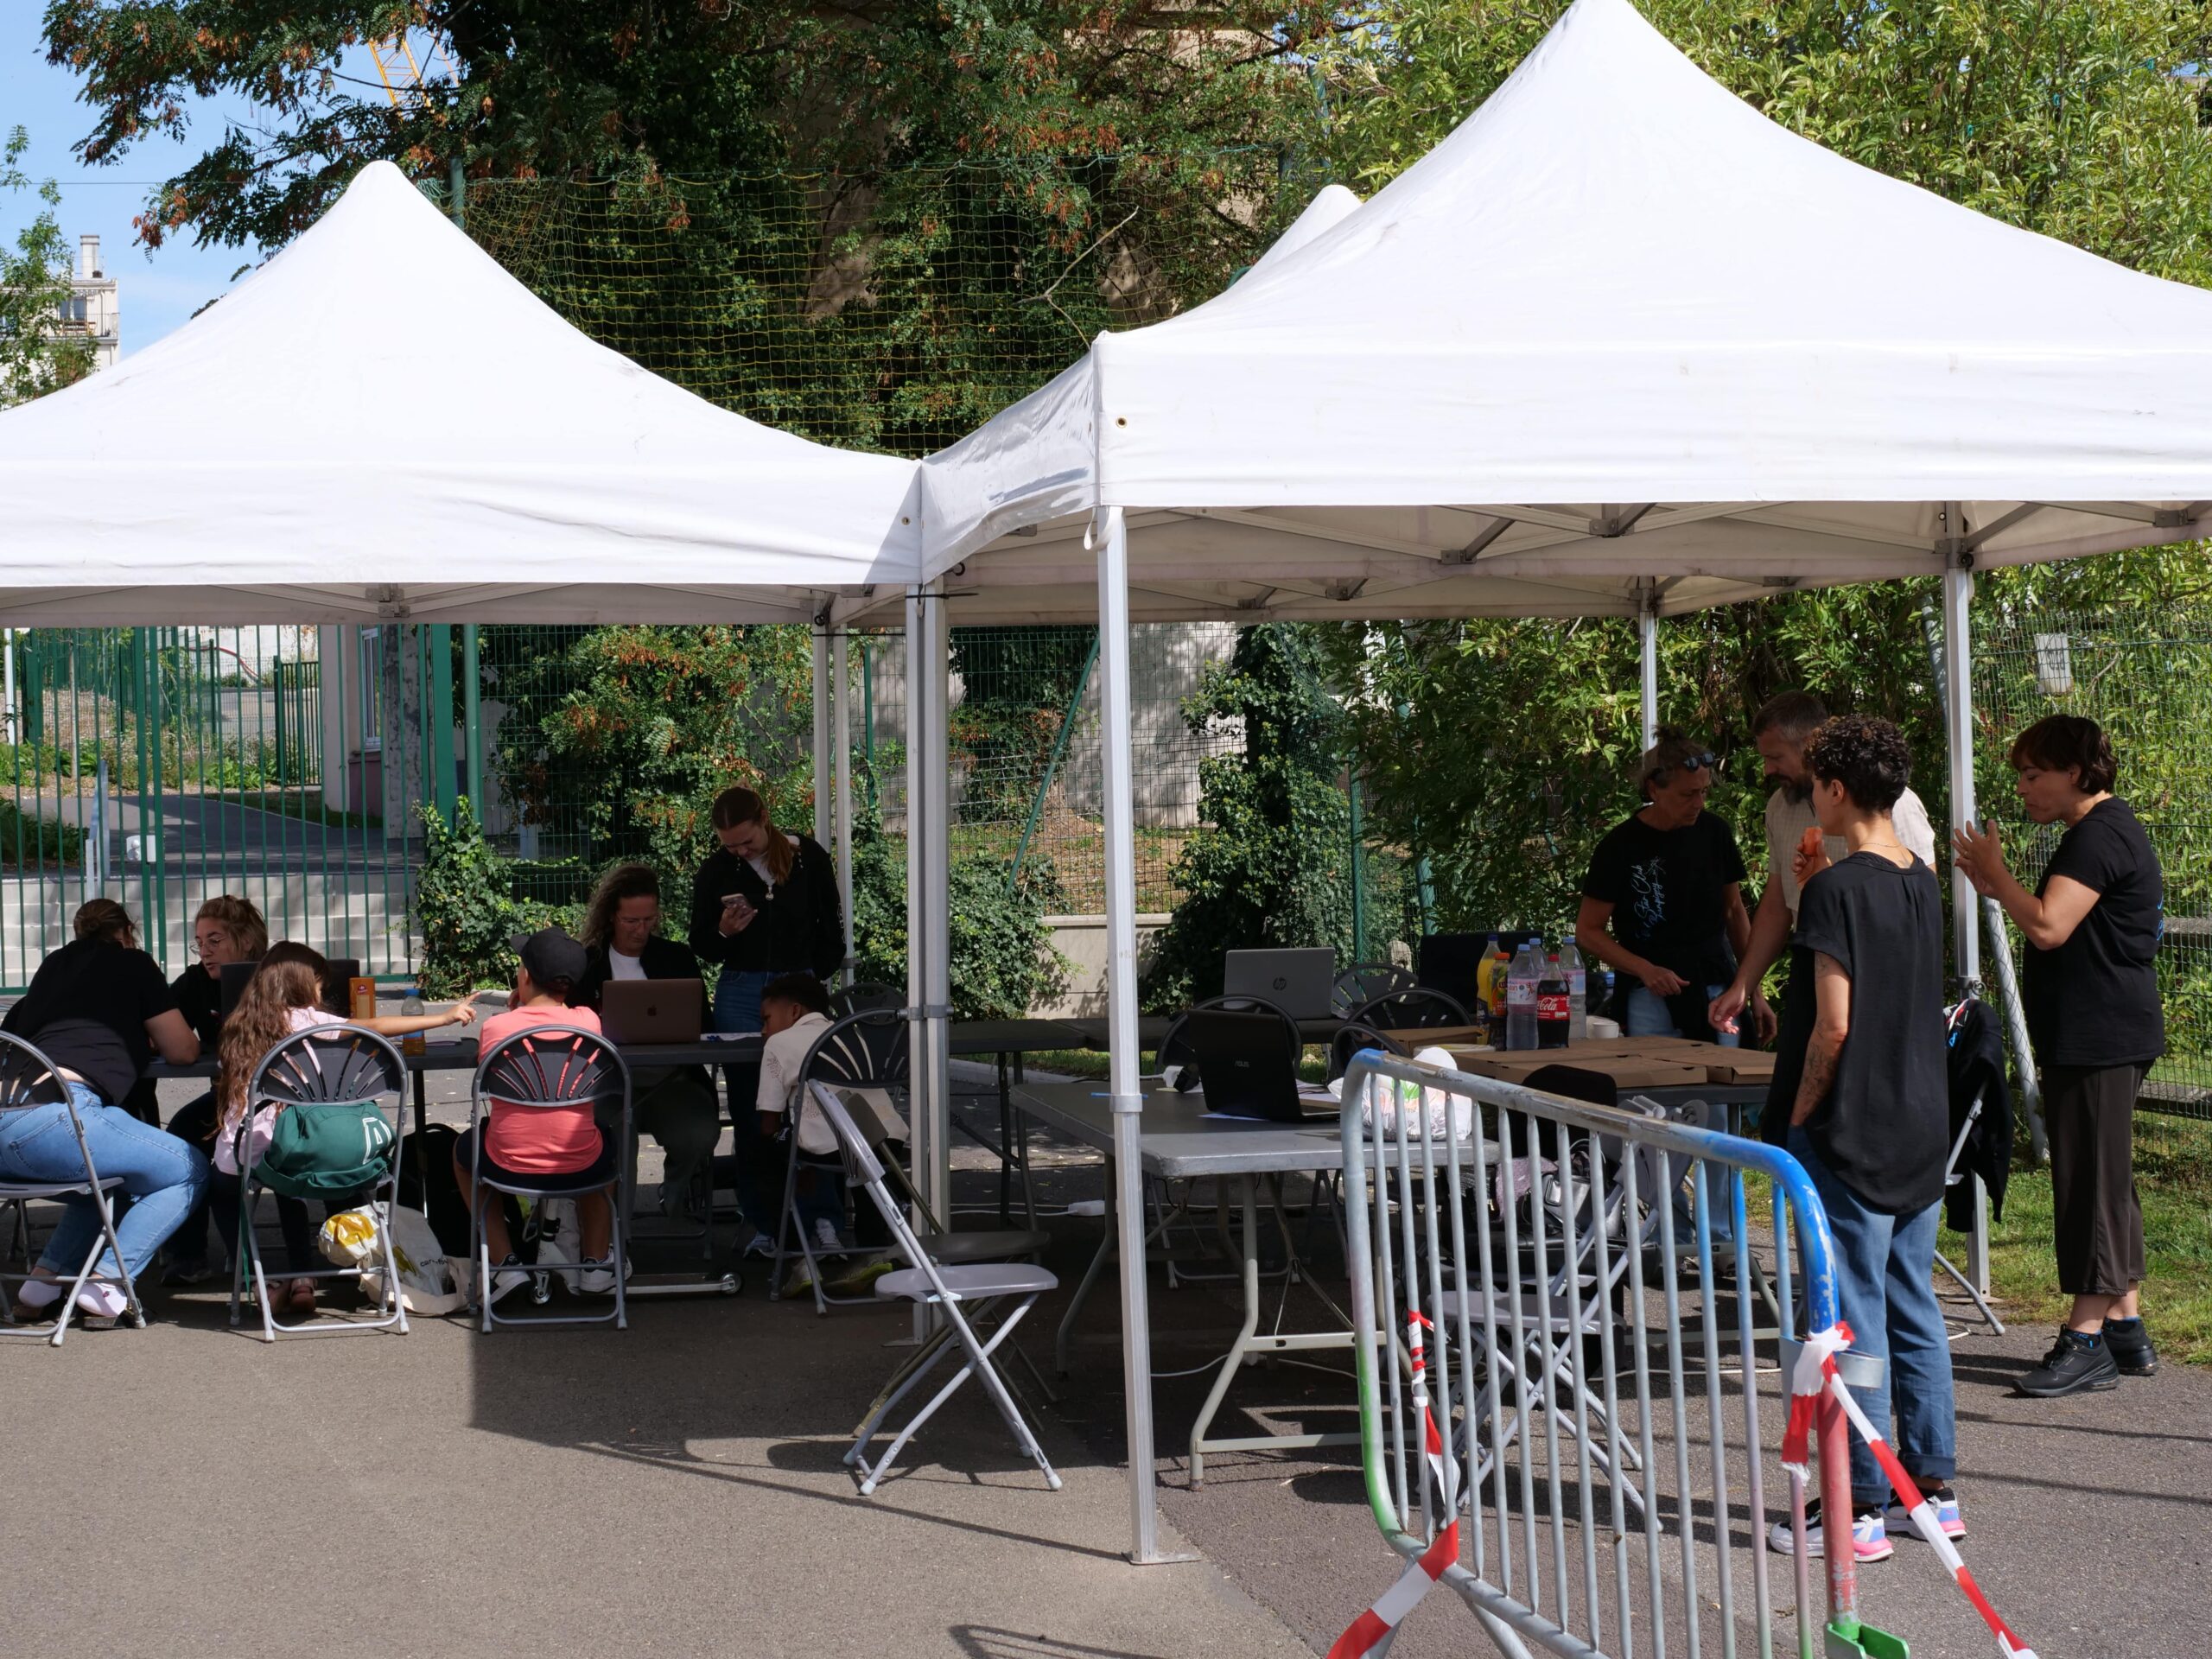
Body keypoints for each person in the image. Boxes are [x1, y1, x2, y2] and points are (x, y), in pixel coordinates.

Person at [1760, 715, 1959, 1565]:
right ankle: (1933, 1488)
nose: (1810, 797)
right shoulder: (1920, 878)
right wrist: (1818, 887)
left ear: (1836, 790)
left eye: (1814, 784)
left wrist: (1801, 1116)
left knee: (1853, 1314)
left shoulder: (1839, 891)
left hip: (1854, 1124)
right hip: (1920, 1119)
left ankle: (1863, 1504)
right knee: (1913, 1302)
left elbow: (1833, 1025)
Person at [1954, 715, 2164, 1396]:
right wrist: (1999, 884)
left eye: (2032, 774)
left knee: (2089, 1188)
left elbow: (2048, 925)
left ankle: (2085, 1341)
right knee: (2106, 1180)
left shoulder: (2098, 836)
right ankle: (2125, 1329)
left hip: (2100, 1038)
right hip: (2098, 1035)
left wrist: (1997, 876)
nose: (2022, 788)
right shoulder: (2100, 832)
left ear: (2074, 773)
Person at [207, 943, 475, 1317]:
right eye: (319, 983)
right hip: (305, 1147)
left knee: (226, 1187)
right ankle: (304, 1279)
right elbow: (374, 1028)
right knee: (290, 1182)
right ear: (303, 983)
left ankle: (257, 1281)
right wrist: (443, 1018)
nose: (321, 991)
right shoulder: (314, 1022)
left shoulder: (238, 1026)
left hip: (250, 1150)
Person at [1, 899, 203, 1325]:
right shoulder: (133, 963)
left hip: (8, 1118)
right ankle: (107, 1283)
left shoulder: (52, 969)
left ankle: (43, 1284)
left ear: (78, 933)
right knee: (188, 1169)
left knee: (107, 1180)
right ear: (127, 933)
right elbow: (183, 1051)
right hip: (58, 1116)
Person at [1712, 692, 1936, 1045]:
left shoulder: (1892, 803)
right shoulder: (1779, 806)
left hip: (1876, 980)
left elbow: (1920, 903)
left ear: (1810, 746)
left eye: (1775, 757)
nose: (1767, 770)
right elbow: (1777, 903)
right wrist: (1744, 984)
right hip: (1812, 968)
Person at [690, 785, 843, 1251]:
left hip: (798, 989)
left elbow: (831, 927)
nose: (739, 851)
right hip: (741, 989)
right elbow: (701, 944)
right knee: (752, 1108)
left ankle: (823, 1220)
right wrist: (724, 932)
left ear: (764, 820)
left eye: (746, 841)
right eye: (729, 845)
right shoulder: (716, 870)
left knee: (813, 1104)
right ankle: (765, 1224)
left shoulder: (808, 858)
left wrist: (812, 977)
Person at [455, 929, 620, 1306]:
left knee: (463, 1153)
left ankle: (505, 1265)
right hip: (580, 1164)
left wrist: (516, 1010)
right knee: (604, 1145)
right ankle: (596, 1264)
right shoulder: (589, 1022)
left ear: (525, 976)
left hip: (507, 1165)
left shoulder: (497, 1028)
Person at [1575, 732, 1752, 1045]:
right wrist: (1644, 969)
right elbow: (1588, 931)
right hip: (1648, 991)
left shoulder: (1715, 833)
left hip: (1714, 982)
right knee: (1657, 1075)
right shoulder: (1620, 846)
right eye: (1688, 794)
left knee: (1725, 1072)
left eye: (1704, 792)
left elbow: (1734, 911)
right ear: (1654, 789)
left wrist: (1753, 990)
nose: (1699, 803)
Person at [575, 862, 720, 1210]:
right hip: (606, 1082)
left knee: (700, 1133)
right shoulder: (588, 962)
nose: (640, 930)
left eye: (648, 920)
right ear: (611, 916)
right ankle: (615, 1225)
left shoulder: (676, 958)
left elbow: (704, 1025)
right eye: (631, 921)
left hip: (671, 1079)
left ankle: (675, 1194)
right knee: (613, 1136)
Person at [156, 894, 270, 1284]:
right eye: (199, 943)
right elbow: (161, 1028)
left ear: (246, 941)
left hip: (287, 1103)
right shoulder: (195, 982)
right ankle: (188, 1256)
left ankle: (352, 1249)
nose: (205, 951)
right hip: (228, 1101)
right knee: (182, 1136)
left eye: (215, 941)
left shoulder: (279, 976)